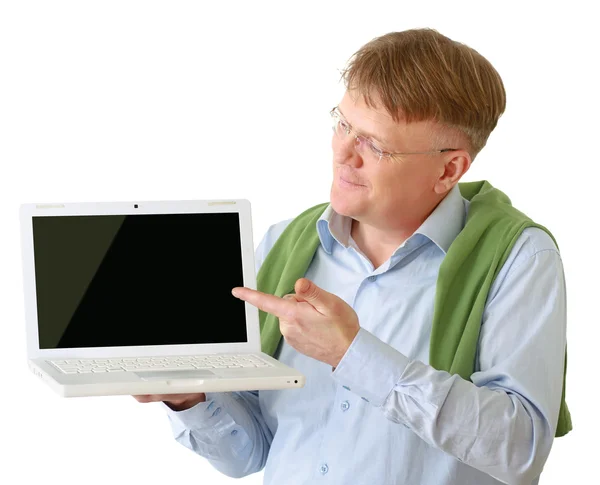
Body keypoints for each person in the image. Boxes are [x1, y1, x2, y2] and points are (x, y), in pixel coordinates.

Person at [134, 28, 570, 485]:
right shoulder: (287, 243)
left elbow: (519, 451)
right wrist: (190, 398)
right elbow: (250, 452)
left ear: (449, 169)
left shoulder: (519, 257)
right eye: (343, 124)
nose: (342, 153)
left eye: (374, 144)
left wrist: (351, 353)